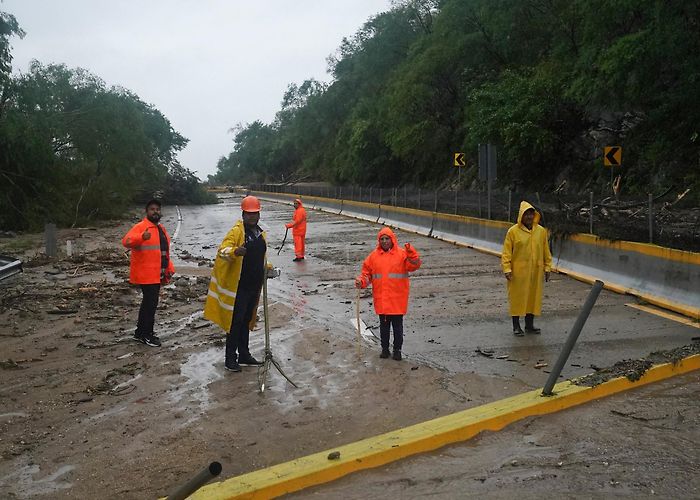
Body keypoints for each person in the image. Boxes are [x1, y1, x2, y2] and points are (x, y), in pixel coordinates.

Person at [204, 195, 268, 372]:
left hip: (254, 285)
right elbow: (222, 251)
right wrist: (235, 251)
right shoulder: (236, 232)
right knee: (236, 322)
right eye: (249, 214)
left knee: (247, 320)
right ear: (243, 214)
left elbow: (260, 257)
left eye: (255, 214)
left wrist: (267, 268)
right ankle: (230, 358)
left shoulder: (259, 233)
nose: (252, 217)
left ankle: (244, 354)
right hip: (239, 286)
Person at [355, 227, 421, 360]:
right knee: (384, 327)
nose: (385, 241)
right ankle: (385, 349)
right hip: (382, 299)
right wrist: (361, 282)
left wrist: (412, 253)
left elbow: (414, 265)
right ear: (379, 241)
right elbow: (367, 274)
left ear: (392, 239)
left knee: (397, 327)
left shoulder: (402, 254)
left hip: (397, 299)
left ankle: (397, 350)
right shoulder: (373, 257)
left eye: (387, 239)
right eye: (382, 239)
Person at [122, 198, 175, 347]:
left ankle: (140, 332)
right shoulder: (141, 227)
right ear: (147, 212)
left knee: (149, 304)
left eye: (157, 209)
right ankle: (146, 334)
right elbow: (126, 241)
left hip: (157, 273)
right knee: (150, 304)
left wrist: (169, 268)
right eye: (152, 209)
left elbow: (164, 251)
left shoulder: (161, 229)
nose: (155, 211)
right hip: (145, 274)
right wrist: (141, 237)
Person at [501, 201, 552, 336]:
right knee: (517, 298)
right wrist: (507, 269)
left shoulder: (541, 231)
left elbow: (546, 251)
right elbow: (506, 253)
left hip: (535, 271)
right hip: (518, 273)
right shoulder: (513, 232)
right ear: (521, 216)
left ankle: (529, 325)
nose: (529, 217)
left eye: (531, 214)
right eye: (526, 214)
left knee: (532, 298)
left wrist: (547, 268)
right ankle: (516, 326)